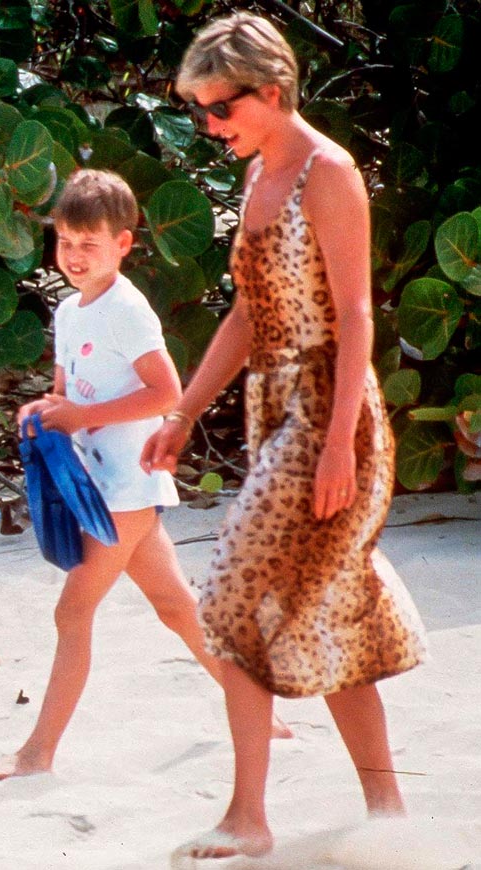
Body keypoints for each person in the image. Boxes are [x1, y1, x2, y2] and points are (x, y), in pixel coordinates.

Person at [140, 12, 428, 860]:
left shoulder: (328, 173)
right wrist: (184, 412)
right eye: (198, 111)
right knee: (337, 609)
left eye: (218, 108)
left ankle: (248, 818)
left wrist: (339, 443)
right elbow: (245, 312)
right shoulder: (261, 171)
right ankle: (390, 816)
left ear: (270, 91)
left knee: (227, 603)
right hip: (275, 411)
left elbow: (355, 315)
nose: (209, 125)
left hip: (329, 412)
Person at [0, 169, 287, 784]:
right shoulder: (67, 309)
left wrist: (83, 414)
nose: (75, 257)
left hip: (129, 484)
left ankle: (37, 754)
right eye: (65, 244)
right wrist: (44, 410)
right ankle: (260, 711)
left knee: (71, 613)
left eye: (91, 245)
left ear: (124, 245)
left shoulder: (128, 309)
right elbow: (66, 392)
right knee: (175, 607)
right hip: (97, 483)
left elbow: (167, 391)